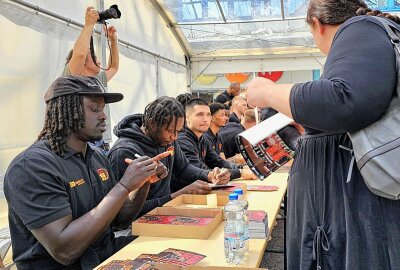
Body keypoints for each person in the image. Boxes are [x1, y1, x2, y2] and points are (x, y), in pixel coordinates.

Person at [246, 1, 400, 269]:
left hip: (352, 212)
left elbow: (343, 100)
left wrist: (267, 91)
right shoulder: (374, 38)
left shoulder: (360, 29)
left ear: (316, 23)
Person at [3, 76, 165, 270]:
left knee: (174, 249)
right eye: (94, 109)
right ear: (65, 110)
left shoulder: (96, 156)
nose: (103, 115)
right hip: (65, 266)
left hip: (106, 255)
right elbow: (65, 251)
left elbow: (120, 221)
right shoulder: (31, 166)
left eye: (103, 108)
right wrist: (123, 186)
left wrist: (143, 183)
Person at [108, 97, 220, 216]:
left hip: (165, 211)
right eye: (171, 131)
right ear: (152, 124)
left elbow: (184, 168)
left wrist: (208, 174)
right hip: (137, 224)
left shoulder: (167, 140)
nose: (175, 137)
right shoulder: (124, 152)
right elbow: (125, 213)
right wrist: (179, 194)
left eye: (178, 131)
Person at [175, 99, 256, 192]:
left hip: (199, 190)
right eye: (200, 114)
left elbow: (218, 162)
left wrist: (242, 168)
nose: (205, 119)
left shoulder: (203, 138)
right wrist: (240, 172)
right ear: (187, 118)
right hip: (183, 194)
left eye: (208, 114)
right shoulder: (182, 140)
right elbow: (199, 170)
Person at [63, 6, 119, 85]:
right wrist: (89, 24)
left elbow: (113, 67)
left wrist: (113, 41)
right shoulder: (70, 76)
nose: (99, 62)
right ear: (82, 63)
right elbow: (80, 54)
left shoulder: (96, 81)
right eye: (94, 57)